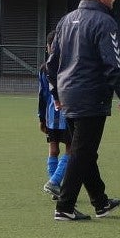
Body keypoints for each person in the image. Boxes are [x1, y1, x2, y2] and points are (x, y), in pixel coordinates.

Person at [46, 0, 120, 222]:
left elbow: (51, 63)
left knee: (85, 150)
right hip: (91, 95)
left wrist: (56, 92)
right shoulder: (105, 23)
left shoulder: (65, 20)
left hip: (68, 94)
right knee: (82, 151)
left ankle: (100, 202)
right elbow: (113, 62)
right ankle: (65, 206)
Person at [37, 33, 70, 199]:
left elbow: (42, 95)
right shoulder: (69, 66)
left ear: (48, 47)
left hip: (51, 116)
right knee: (71, 149)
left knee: (53, 150)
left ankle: (54, 188)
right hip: (68, 115)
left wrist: (41, 117)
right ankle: (54, 182)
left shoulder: (44, 68)